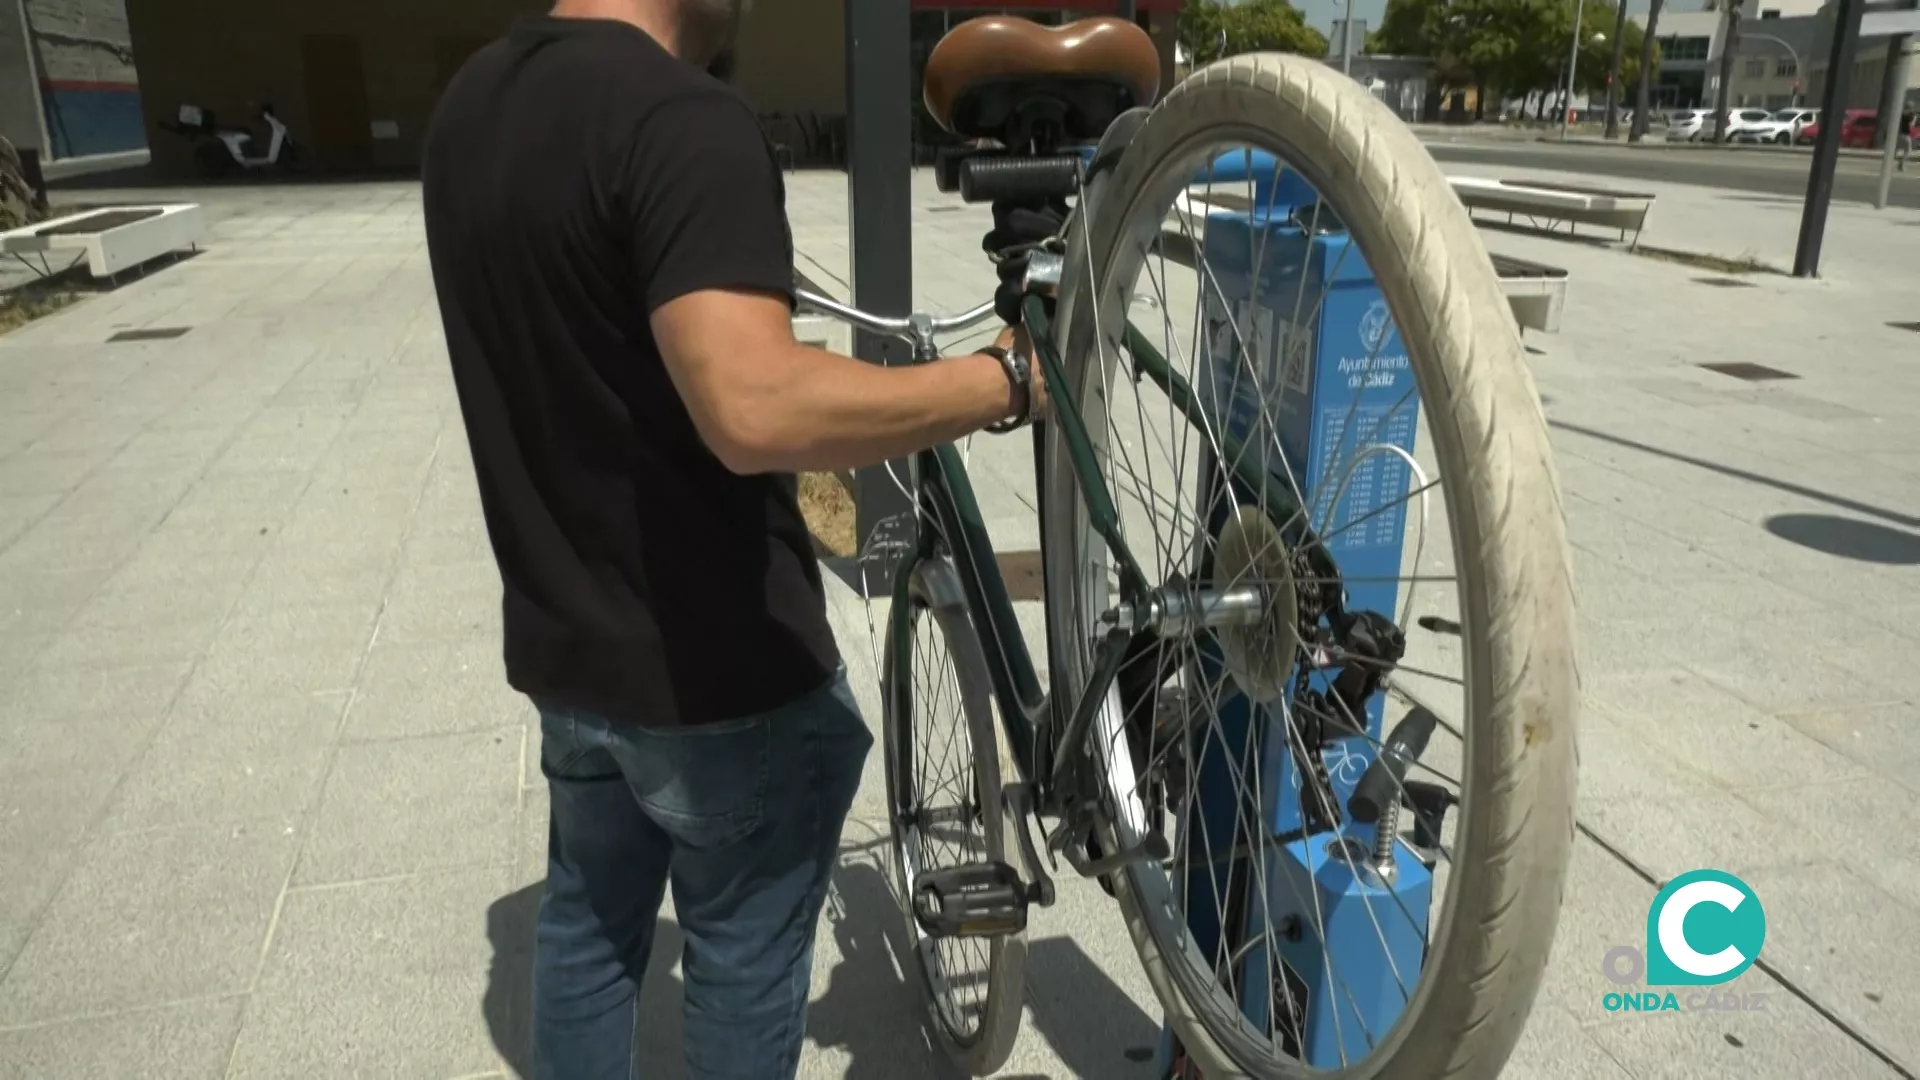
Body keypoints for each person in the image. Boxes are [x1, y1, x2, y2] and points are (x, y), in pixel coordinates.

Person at [420, 1, 1045, 1077]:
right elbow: (753, 406)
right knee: (740, 961)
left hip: (569, 663)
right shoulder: (677, 118)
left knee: (584, 929)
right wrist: (1000, 382)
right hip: (719, 683)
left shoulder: (470, 106)